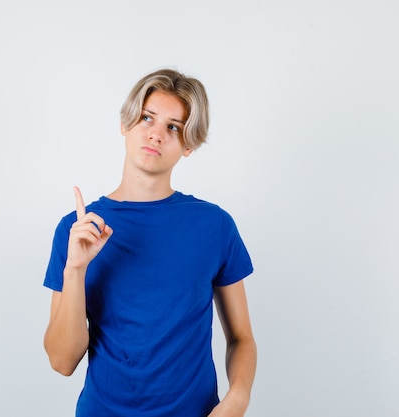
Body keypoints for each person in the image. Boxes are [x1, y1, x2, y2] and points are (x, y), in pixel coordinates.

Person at [43, 68, 257, 417]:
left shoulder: (214, 225)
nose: (156, 134)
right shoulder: (78, 228)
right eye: (146, 118)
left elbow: (242, 338)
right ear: (125, 125)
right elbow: (62, 361)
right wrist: (75, 269)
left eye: (173, 127)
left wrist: (237, 399)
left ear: (188, 145)